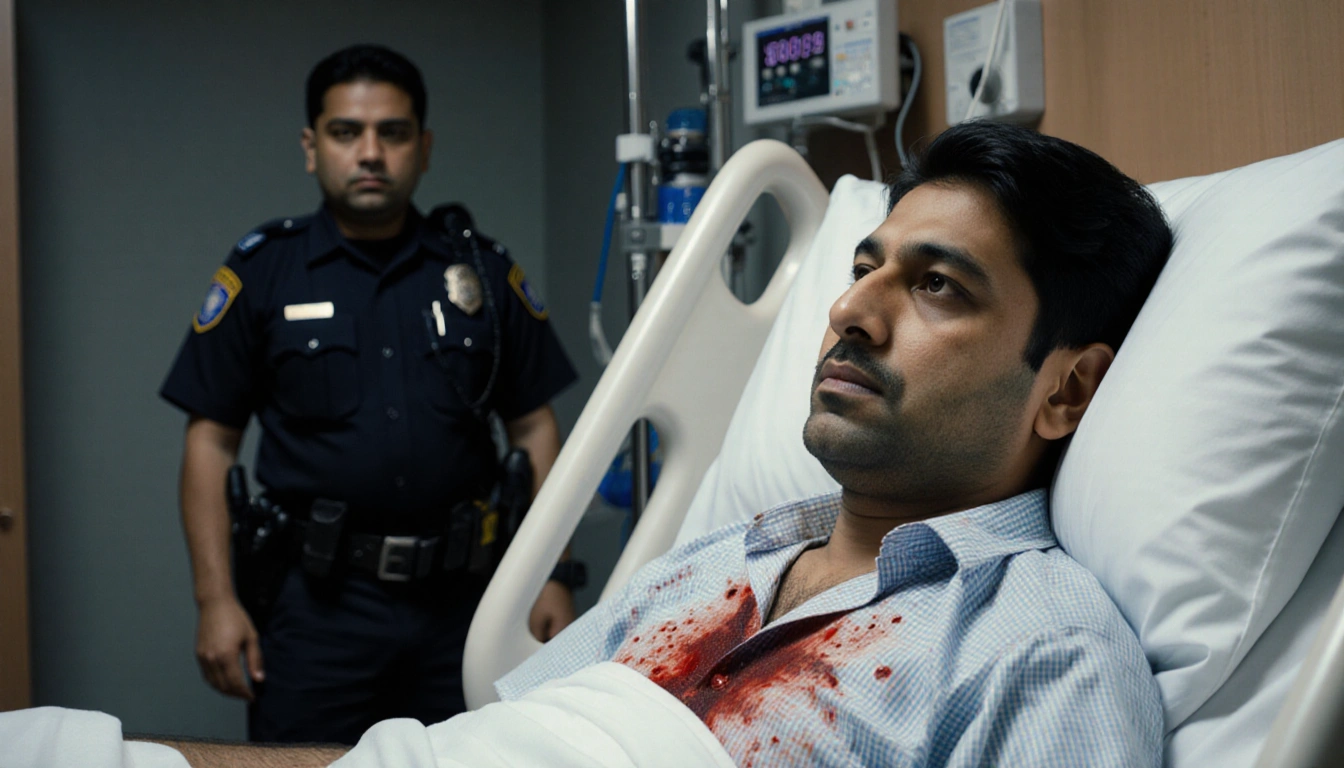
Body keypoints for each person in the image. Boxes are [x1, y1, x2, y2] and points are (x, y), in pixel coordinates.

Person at [149, 120, 1172, 766]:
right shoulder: (725, 554)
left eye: (938, 285)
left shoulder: (1039, 657)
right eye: (863, 268)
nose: (853, 310)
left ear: (1067, 391)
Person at [159, 44, 580, 745]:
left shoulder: (479, 270)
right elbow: (210, 442)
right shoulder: (265, 270)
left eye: (393, 132)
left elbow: (535, 427)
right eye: (346, 132)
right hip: (317, 611)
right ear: (310, 145)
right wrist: (215, 599)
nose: (371, 152)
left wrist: (550, 575)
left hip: (467, 604)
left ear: (424, 146)